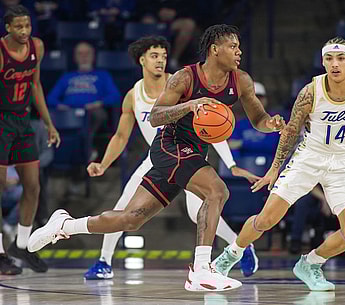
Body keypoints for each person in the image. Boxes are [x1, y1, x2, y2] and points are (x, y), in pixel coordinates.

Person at [28, 24, 284, 291]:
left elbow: (258, 118)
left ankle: (66, 224)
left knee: (131, 218)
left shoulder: (241, 80)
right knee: (217, 190)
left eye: (239, 46)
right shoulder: (184, 78)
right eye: (233, 46)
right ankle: (201, 269)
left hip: (193, 152)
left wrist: (272, 124)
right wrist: (190, 105)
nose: (239, 51)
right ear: (215, 50)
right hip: (169, 146)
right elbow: (156, 115)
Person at [212, 36, 345, 291]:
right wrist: (273, 169)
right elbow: (291, 131)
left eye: (340, 58)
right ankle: (232, 253)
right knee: (266, 219)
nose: (334, 64)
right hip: (308, 157)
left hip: (342, 161)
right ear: (323, 62)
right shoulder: (310, 91)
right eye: (329, 59)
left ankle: (311, 263)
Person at [83, 35, 260, 280]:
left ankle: (238, 247)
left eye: (164, 56)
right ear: (142, 60)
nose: (160, 61)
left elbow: (211, 127)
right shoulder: (133, 95)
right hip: (159, 154)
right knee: (125, 207)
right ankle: (104, 261)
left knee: (203, 205)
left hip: (188, 153)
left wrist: (231, 164)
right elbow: (121, 136)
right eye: (154, 56)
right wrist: (103, 163)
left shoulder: (180, 82)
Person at [0, 5, 60, 275]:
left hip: (23, 121)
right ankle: (0, 253)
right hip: (2, 121)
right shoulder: (1, 52)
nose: (25, 31)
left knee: (33, 186)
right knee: (0, 187)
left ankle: (21, 245)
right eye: (19, 27)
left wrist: (48, 123)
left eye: (28, 26)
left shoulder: (37, 46)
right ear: (8, 28)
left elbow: (35, 85)